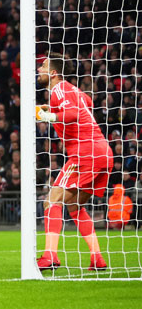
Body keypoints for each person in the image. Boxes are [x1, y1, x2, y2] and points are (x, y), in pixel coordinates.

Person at [35, 53, 113, 271]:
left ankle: (50, 255)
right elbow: (87, 103)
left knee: (51, 201)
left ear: (53, 73)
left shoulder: (58, 89)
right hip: (103, 152)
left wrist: (45, 116)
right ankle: (97, 258)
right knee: (74, 206)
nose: (39, 70)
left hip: (85, 153)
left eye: (43, 66)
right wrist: (50, 110)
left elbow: (72, 115)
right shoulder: (74, 90)